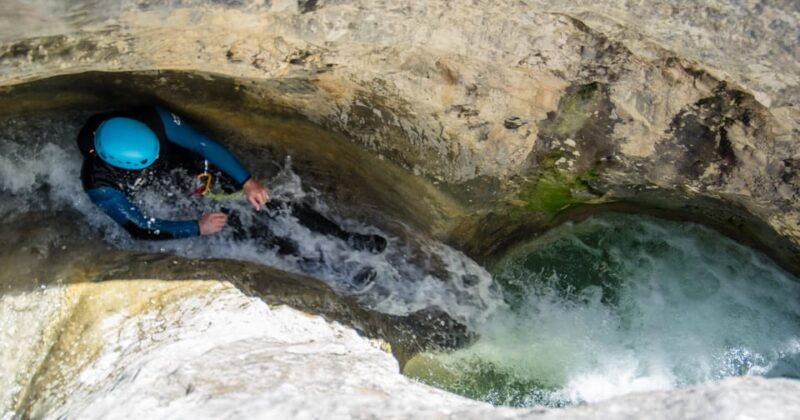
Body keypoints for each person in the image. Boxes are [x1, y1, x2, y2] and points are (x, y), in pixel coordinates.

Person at [78, 106, 386, 257]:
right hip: (162, 189)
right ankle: (317, 264)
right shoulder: (99, 184)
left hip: (185, 167)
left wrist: (247, 181)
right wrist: (196, 226)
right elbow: (138, 227)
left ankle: (346, 238)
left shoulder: (150, 118)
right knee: (236, 225)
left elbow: (202, 144)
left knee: (267, 204)